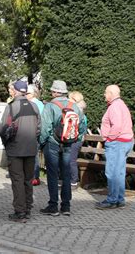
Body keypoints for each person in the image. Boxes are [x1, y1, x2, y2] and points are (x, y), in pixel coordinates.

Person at [39, 80, 85, 216]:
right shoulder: (75, 106)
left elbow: (45, 128)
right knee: (65, 174)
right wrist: (73, 139)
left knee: (52, 174)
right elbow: (82, 126)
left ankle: (53, 206)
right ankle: (66, 206)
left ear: (54, 92)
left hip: (52, 143)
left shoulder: (50, 106)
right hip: (68, 144)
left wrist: (41, 144)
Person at [0, 81, 41, 222]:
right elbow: (39, 128)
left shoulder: (11, 107)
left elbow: (2, 129)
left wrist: (6, 143)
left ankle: (20, 212)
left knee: (17, 180)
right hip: (31, 149)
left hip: (15, 150)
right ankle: (28, 209)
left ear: (16, 91)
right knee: (28, 180)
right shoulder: (34, 106)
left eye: (12, 89)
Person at [96, 85, 134, 209]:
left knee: (112, 172)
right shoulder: (121, 104)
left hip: (117, 142)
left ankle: (112, 200)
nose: (104, 94)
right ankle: (119, 199)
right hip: (125, 141)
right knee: (119, 172)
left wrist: (109, 138)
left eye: (106, 92)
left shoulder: (114, 107)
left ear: (111, 93)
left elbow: (117, 126)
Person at [68, 91, 88, 189]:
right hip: (77, 139)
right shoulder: (80, 111)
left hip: (76, 140)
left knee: (71, 160)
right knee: (70, 159)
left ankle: (74, 181)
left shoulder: (78, 112)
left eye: (70, 99)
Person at [26, 84, 45, 186]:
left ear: (34, 94)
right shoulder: (27, 103)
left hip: (34, 134)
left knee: (34, 155)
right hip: (27, 133)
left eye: (27, 93)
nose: (25, 95)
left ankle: (35, 177)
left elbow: (40, 121)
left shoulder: (38, 104)